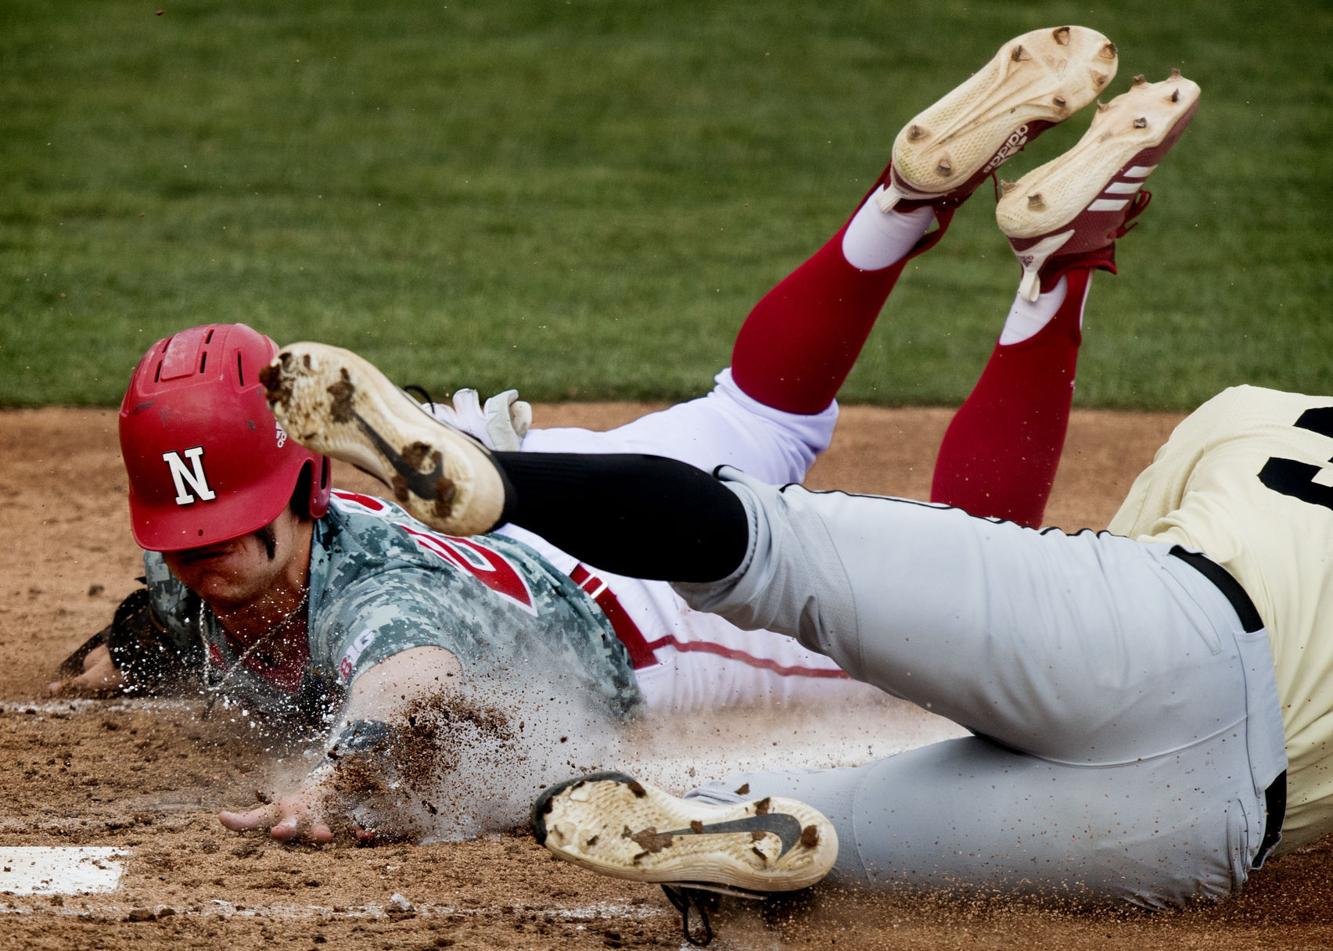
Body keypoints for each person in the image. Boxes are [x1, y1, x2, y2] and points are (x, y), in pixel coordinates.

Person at [266, 32, 1320, 937]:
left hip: (1155, 632)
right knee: (818, 808)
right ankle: (1058, 269)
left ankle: (908, 215)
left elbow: (1083, 568)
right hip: (1210, 824)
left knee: (774, 521)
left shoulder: (1264, 416)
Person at [61, 26, 1135, 846]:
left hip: (650, 605)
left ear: (304, 487)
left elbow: (408, 676)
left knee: (965, 581)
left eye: (231, 534)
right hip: (541, 485)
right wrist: (136, 647)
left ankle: (1056, 269)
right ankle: (896, 203)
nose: (204, 560)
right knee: (755, 412)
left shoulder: (381, 601)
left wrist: (341, 778)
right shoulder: (191, 554)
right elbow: (167, 597)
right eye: (189, 540)